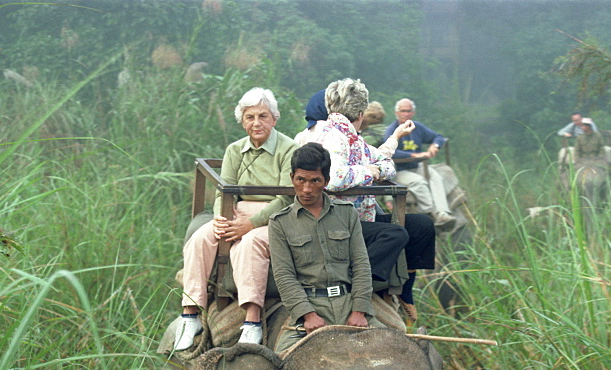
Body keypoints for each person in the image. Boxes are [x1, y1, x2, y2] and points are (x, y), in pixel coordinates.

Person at [174, 87, 298, 351]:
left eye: (263, 116)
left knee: (249, 244)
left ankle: (252, 321)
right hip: (238, 209)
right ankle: (190, 314)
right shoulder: (234, 150)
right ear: (242, 121)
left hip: (274, 215)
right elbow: (224, 189)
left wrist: (251, 224)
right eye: (250, 117)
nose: (256, 123)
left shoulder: (289, 149)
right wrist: (222, 216)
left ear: (274, 118)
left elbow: (287, 197)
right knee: (201, 238)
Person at [318, 79, 436, 323]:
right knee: (395, 234)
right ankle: (358, 289)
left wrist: (388, 146)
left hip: (362, 216)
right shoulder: (333, 138)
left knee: (421, 226)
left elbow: (384, 162)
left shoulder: (353, 139)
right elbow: (335, 179)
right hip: (339, 219)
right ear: (361, 113)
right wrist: (369, 171)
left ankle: (405, 289)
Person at [269, 143, 373, 353]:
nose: (307, 189)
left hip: (348, 302)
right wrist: (308, 315)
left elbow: (361, 264)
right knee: (280, 365)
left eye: (315, 181)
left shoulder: (347, 214)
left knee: (393, 353)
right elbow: (284, 275)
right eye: (301, 180)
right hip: (310, 305)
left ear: (326, 181)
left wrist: (359, 311)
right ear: (292, 178)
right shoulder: (279, 222)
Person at [382, 98, 457, 231]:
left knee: (435, 177)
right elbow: (390, 151)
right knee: (420, 182)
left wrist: (435, 146)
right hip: (399, 170)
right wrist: (414, 155)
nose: (406, 114)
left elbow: (438, 137)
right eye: (403, 111)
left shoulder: (417, 127)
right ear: (397, 113)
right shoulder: (391, 130)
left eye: (409, 111)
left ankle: (443, 213)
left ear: (413, 112)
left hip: (417, 166)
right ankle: (430, 213)